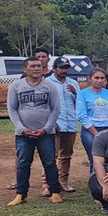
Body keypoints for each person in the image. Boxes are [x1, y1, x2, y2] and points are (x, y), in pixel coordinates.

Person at [7, 56, 63, 206]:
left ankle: (55, 192)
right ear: (24, 69)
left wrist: (46, 128)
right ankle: (21, 194)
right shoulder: (16, 86)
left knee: (49, 163)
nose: (37, 68)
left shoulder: (50, 86)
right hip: (23, 134)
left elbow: (56, 109)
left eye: (39, 66)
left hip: (45, 134)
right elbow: (12, 109)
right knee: (23, 163)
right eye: (33, 66)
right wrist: (21, 128)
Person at [44, 57, 80, 194]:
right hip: (54, 125)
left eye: (66, 67)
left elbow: (80, 104)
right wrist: (50, 123)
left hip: (70, 124)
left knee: (66, 155)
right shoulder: (47, 83)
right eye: (61, 67)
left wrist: (76, 94)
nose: (64, 70)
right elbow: (45, 105)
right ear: (54, 68)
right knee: (50, 155)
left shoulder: (73, 83)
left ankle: (63, 182)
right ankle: (47, 185)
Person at [77, 67, 108, 167]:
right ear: (89, 78)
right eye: (96, 78)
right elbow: (82, 115)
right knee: (95, 159)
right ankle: (95, 181)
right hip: (90, 130)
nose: (99, 80)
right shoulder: (82, 94)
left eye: (102, 78)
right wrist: (96, 133)